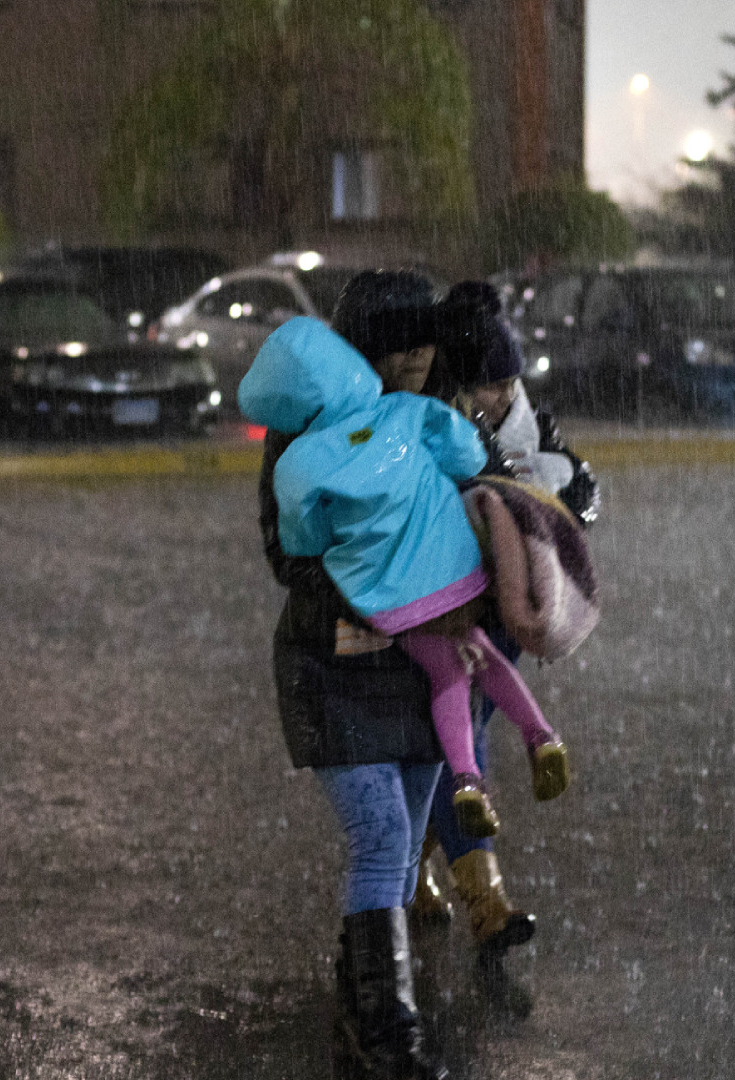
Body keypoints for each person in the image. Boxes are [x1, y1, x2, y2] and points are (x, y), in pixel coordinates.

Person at [243, 309, 572, 843]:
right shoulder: (405, 411)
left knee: (446, 673)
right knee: (480, 652)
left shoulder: (297, 462)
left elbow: (302, 541)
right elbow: (465, 452)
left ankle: (466, 779)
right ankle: (540, 734)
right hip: (455, 573)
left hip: (392, 600)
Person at [250, 269, 459, 1080]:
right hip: (334, 666)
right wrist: (379, 596)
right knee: (381, 837)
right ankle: (387, 1031)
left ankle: (360, 1006)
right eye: (392, 345)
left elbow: (500, 494)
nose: (411, 359)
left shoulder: (435, 416)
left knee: (403, 849)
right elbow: (286, 555)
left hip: (422, 672)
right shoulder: (307, 428)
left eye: (421, 342)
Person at [408, 285, 600, 957]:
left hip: (510, 607)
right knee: (460, 746)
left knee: (455, 743)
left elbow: (581, 487)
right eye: (489, 385)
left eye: (509, 382)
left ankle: (412, 867)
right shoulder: (438, 426)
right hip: (452, 606)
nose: (503, 396)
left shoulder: (529, 422)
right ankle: (487, 904)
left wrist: (561, 498)